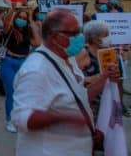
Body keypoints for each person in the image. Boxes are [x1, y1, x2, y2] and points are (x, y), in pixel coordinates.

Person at [11, 10, 119, 156]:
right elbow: (21, 119)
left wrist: (104, 77)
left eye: (80, 31)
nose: (80, 37)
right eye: (74, 33)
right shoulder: (36, 70)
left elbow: (79, 97)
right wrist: (65, 117)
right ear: (55, 37)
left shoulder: (68, 59)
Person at [0, 7, 41, 133]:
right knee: (11, 92)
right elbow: (6, 23)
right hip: (8, 61)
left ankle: (20, 117)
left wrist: (32, 24)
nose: (21, 20)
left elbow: (37, 43)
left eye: (24, 18)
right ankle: (10, 119)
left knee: (22, 92)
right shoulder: (10, 29)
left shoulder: (28, 31)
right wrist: (12, 9)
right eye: (20, 17)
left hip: (23, 62)